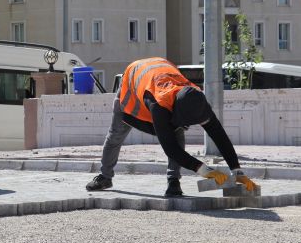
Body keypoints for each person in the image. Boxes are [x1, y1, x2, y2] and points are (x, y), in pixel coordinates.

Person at [86, 57, 258, 196]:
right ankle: (105, 177)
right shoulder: (159, 105)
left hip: (156, 75)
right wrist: (204, 170)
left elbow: (219, 135)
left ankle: (173, 182)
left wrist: (237, 171)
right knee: (115, 135)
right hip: (131, 89)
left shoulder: (197, 100)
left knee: (176, 131)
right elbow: (170, 148)